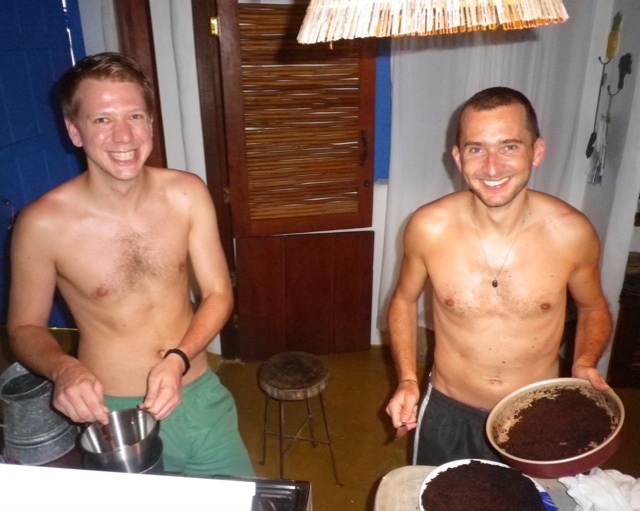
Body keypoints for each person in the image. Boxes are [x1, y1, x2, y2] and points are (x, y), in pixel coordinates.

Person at [7, 52, 254, 477]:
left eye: (135, 116)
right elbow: (24, 328)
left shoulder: (187, 194)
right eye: (102, 120)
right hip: (113, 414)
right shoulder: (42, 224)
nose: (124, 135)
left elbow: (218, 293)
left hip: (197, 394)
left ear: (151, 124)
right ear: (75, 131)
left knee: (241, 501)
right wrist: (64, 369)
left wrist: (177, 359)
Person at [385, 86, 613, 466]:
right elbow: (403, 302)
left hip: (534, 414)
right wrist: (408, 379)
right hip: (448, 411)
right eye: (476, 149)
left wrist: (584, 362)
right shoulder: (428, 228)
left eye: (509, 147)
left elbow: (594, 308)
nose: (492, 168)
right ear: (458, 158)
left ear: (536, 151)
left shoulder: (571, 234)